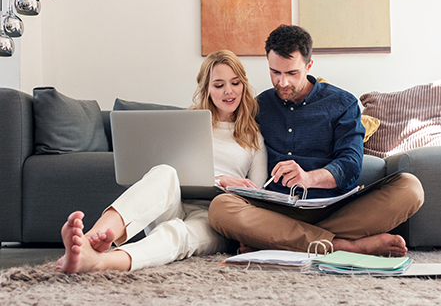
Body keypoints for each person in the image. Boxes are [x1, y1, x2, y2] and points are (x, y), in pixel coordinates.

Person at [208, 25, 424, 257]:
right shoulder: (260, 106)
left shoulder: (342, 103)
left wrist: (308, 178)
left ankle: (275, 241)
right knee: (220, 208)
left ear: (309, 66)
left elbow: (350, 165)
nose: (282, 82)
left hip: (335, 209)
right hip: (277, 212)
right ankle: (345, 246)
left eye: (292, 73)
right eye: (275, 72)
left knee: (411, 188)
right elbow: (230, 140)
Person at [55, 50, 267, 273]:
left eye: (235, 83)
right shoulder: (187, 123)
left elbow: (259, 195)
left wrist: (233, 191)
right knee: (164, 171)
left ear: (244, 85)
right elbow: (170, 174)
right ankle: (91, 239)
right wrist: (218, 179)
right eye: (218, 85)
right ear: (206, 89)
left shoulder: (254, 137)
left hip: (215, 217)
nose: (229, 91)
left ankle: (99, 262)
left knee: (176, 233)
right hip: (172, 202)